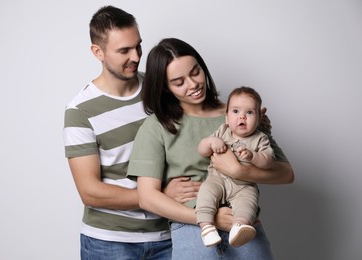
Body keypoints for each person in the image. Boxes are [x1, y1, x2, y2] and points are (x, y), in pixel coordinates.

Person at [127, 38, 294, 259]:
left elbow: (286, 173)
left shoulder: (240, 114)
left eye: (195, 72)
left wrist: (239, 171)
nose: (193, 84)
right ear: (165, 88)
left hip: (244, 226)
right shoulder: (156, 127)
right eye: (179, 82)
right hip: (193, 230)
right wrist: (208, 218)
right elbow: (146, 197)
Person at [63, 6, 200, 259]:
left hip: (171, 234)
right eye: (124, 50)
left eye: (138, 46)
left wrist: (246, 118)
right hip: (109, 242)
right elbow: (89, 191)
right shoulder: (80, 111)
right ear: (98, 52)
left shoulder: (159, 89)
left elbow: (202, 122)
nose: (136, 56)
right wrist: (156, 197)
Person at [196, 86, 276, 248]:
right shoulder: (222, 132)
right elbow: (202, 150)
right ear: (226, 118)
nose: (242, 117)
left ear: (259, 118)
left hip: (244, 185)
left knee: (248, 203)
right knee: (206, 192)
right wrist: (211, 142)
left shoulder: (260, 139)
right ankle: (206, 227)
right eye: (236, 111)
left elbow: (269, 161)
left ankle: (238, 228)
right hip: (218, 179)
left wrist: (253, 156)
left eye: (249, 112)